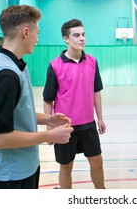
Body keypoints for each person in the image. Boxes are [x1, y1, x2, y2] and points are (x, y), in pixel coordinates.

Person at [0, 5, 73, 189]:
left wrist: (49, 118)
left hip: (22, 167)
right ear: (25, 32)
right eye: (37, 33)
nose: (37, 39)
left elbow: (17, 112)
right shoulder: (5, 75)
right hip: (11, 175)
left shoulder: (15, 65)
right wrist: (49, 134)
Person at [43, 19, 106, 189]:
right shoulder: (55, 66)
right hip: (64, 126)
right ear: (66, 39)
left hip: (88, 125)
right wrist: (49, 129)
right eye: (76, 35)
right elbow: (48, 99)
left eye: (83, 35)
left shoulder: (92, 62)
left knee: (97, 162)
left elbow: (96, 92)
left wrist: (100, 118)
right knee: (66, 166)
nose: (82, 38)